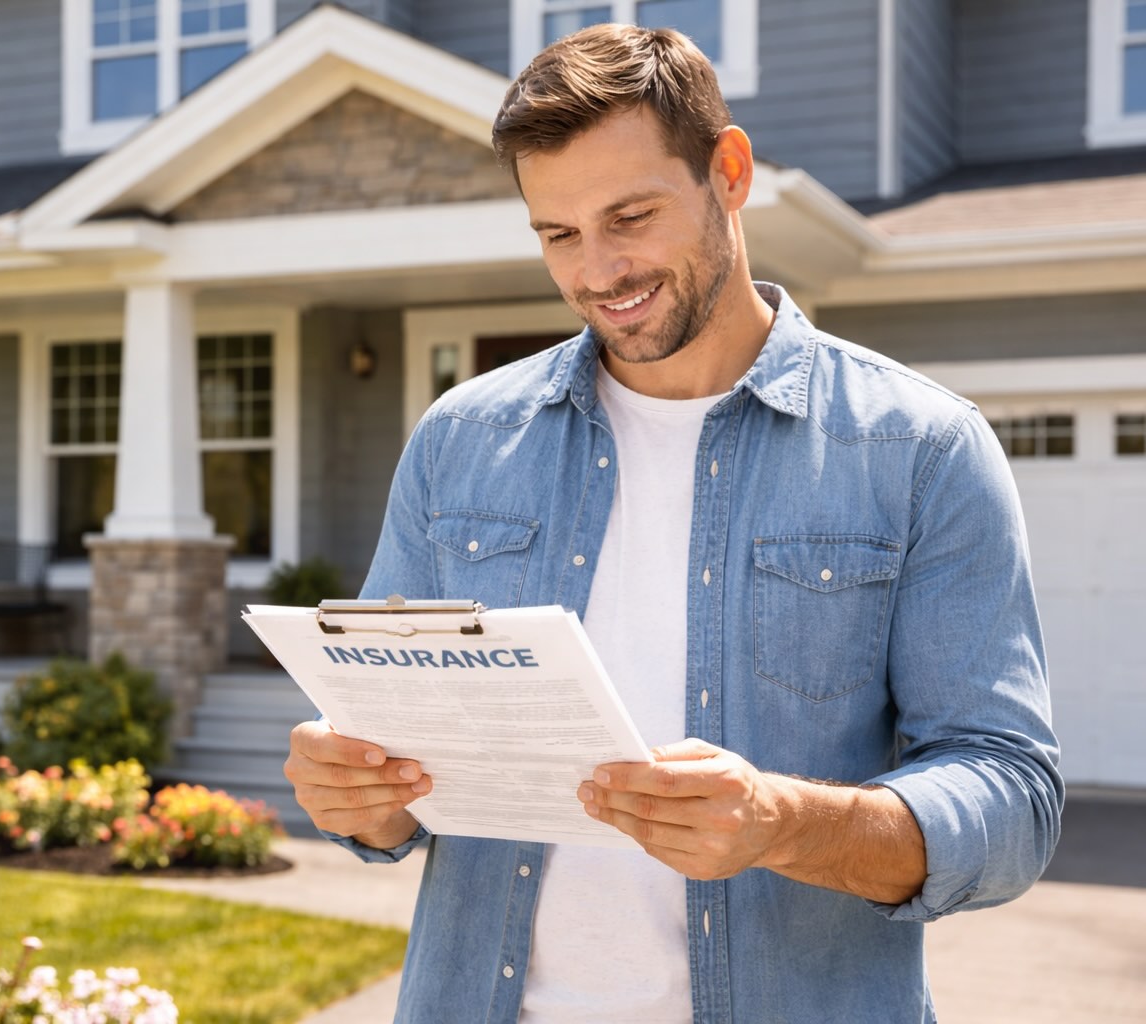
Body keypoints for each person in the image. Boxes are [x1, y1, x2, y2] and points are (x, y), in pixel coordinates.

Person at [285, 23, 1061, 1023]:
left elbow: (1012, 798)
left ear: (728, 173)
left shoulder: (919, 448)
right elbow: (395, 758)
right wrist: (364, 798)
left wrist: (786, 822)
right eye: (557, 234)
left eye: (631, 215)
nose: (597, 271)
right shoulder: (460, 440)